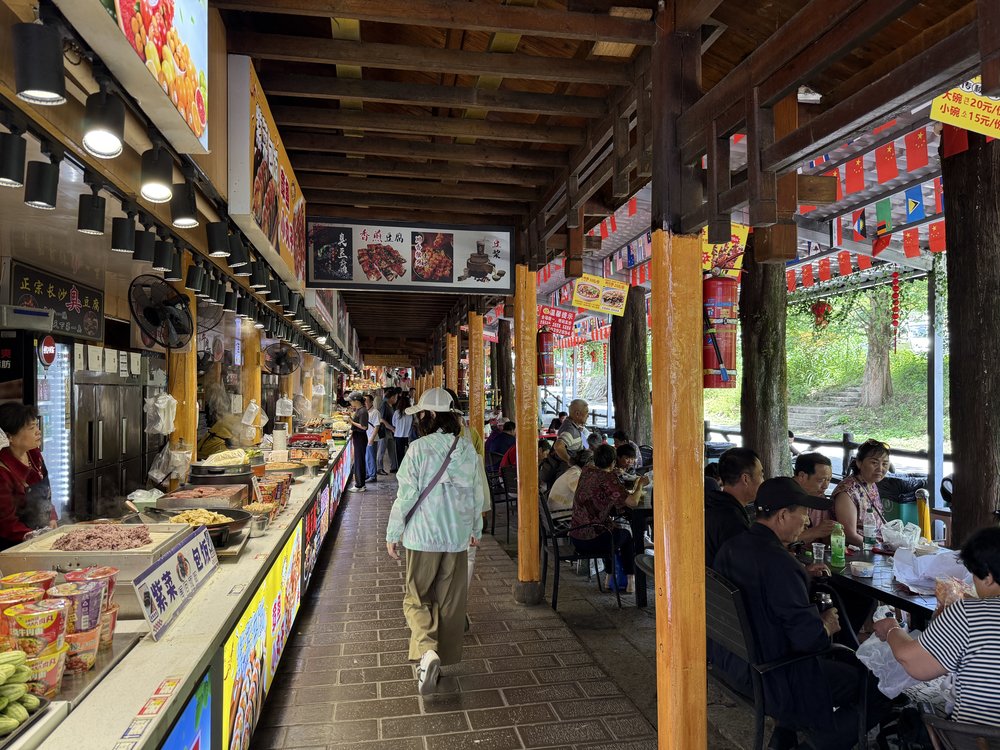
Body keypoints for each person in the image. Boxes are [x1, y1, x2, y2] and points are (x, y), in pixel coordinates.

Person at [713, 478, 884, 750]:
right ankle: (815, 746)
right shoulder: (780, 563)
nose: (807, 522)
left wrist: (801, 576)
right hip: (772, 676)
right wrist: (826, 625)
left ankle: (784, 737)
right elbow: (811, 641)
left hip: (732, 662)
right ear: (782, 515)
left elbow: (763, 590)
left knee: (847, 664)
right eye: (803, 514)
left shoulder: (732, 547)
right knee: (875, 686)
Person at [385, 388, 485, 695]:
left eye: (421, 415)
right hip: (455, 538)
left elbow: (406, 495)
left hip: (422, 536)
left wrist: (392, 533)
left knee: (417, 597)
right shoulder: (467, 448)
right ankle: (439, 656)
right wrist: (475, 530)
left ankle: (427, 652)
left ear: (428, 416)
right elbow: (475, 495)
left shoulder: (417, 449)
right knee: (448, 601)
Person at [872, 526, 1000, 726]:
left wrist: (890, 628)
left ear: (989, 577)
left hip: (976, 739)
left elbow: (914, 663)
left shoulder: (968, 612)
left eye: (975, 575)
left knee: (911, 722)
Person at [569, 443, 648, 592]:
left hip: (576, 536)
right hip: (592, 541)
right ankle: (631, 581)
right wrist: (640, 485)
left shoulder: (587, 470)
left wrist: (613, 473)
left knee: (611, 528)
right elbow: (632, 502)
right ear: (613, 462)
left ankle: (609, 578)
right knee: (625, 536)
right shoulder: (608, 479)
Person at [0, 404, 56, 549]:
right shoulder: (3, 471)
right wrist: (33, 536)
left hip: (41, 539)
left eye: (36, 426)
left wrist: (51, 517)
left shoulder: (34, 454)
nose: (38, 432)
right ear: (9, 436)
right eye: (31, 428)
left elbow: (46, 495)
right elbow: (6, 523)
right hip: (14, 546)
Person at [705, 447, 764, 567]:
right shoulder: (732, 521)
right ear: (745, 479)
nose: (763, 480)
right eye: (761, 475)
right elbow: (743, 569)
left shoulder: (715, 505)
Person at [832, 439, 890, 547]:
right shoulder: (847, 492)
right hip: (859, 551)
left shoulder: (871, 484)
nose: (880, 469)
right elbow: (849, 535)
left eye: (885, 464)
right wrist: (877, 548)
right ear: (859, 463)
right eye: (874, 463)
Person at [794, 452, 837, 544]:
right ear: (802, 476)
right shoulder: (782, 496)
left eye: (829, 480)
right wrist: (813, 532)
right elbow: (777, 540)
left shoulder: (819, 497)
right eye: (821, 480)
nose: (825, 486)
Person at [553, 399, 590, 466]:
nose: (588, 415)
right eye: (586, 412)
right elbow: (558, 446)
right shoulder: (570, 429)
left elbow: (586, 446)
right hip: (567, 470)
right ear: (577, 414)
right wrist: (569, 461)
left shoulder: (574, 426)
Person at [347, 393, 369, 492]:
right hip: (358, 437)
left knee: (359, 461)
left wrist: (351, 421)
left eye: (351, 401)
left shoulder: (363, 411)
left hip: (360, 437)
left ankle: (359, 485)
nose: (350, 402)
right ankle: (361, 484)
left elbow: (364, 427)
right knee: (359, 460)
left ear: (356, 401)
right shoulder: (360, 410)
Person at [377, 388, 400, 473]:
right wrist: (391, 428)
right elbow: (381, 419)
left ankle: (394, 467)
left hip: (391, 431)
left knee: (392, 449)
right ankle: (379, 468)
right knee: (381, 450)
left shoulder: (391, 406)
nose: (396, 399)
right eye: (396, 397)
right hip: (384, 431)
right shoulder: (384, 405)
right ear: (392, 397)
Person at [392, 395, 414, 466]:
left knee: (399, 454)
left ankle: (400, 469)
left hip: (398, 436)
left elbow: (394, 423)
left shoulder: (396, 412)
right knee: (409, 453)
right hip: (408, 436)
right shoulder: (411, 413)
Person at [365, 394, 379, 484]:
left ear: (371, 402)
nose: (365, 403)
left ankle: (372, 476)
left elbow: (377, 426)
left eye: (366, 401)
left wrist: (371, 439)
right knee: (367, 457)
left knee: (371, 458)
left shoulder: (375, 412)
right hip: (366, 438)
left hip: (371, 438)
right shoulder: (366, 412)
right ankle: (368, 474)